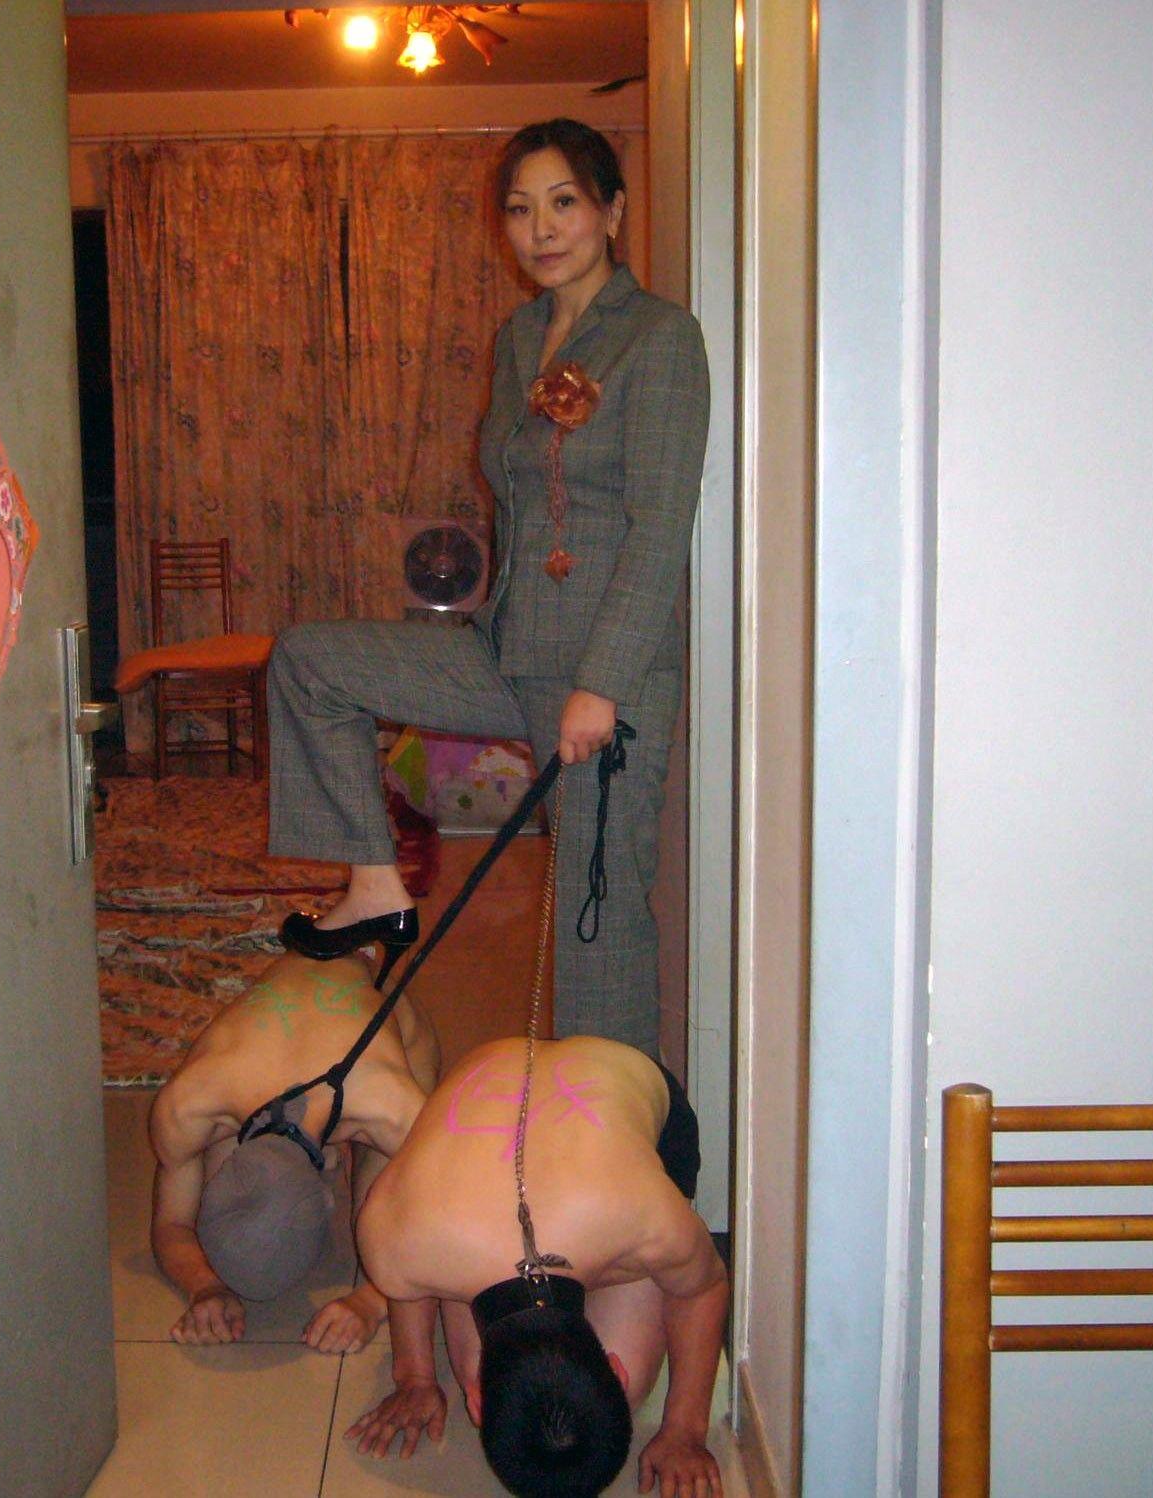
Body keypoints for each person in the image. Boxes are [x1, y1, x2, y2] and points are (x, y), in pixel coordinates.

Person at [266, 118, 711, 1054]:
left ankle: (609, 1125)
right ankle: (376, 888)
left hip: (599, 678)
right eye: (520, 209)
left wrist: (603, 683)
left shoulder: (659, 339)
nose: (541, 229)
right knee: (310, 663)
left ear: (612, 212)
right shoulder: (521, 337)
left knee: (595, 916)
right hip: (506, 647)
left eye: (564, 203)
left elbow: (660, 526)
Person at [346, 1035, 727, 1498]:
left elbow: (703, 1287)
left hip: (599, 1083)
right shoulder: (398, 1244)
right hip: (508, 1086)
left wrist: (685, 1428)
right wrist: (416, 1377)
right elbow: (410, 1280)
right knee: (444, 1270)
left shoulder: (648, 1223)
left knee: (661, 1269)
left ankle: (498, 1288)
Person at [148, 950, 439, 1352]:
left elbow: (452, 1226)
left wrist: (371, 1301)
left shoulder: (392, 1109)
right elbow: (172, 1224)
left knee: (375, 1222)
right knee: (251, 1223)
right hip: (292, 999)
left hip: (374, 992)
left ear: (327, 1195)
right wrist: (204, 1285)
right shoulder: (188, 1105)